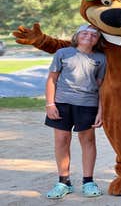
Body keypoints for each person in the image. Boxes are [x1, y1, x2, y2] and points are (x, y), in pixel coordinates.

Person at [45, 24, 106, 199]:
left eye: (94, 35)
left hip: (88, 104)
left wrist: (101, 111)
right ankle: (64, 182)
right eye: (85, 33)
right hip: (62, 103)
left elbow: (102, 87)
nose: (89, 36)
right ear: (77, 35)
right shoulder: (63, 53)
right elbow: (52, 80)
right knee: (62, 140)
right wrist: (50, 104)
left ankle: (88, 181)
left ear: (98, 40)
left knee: (87, 140)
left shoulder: (101, 58)